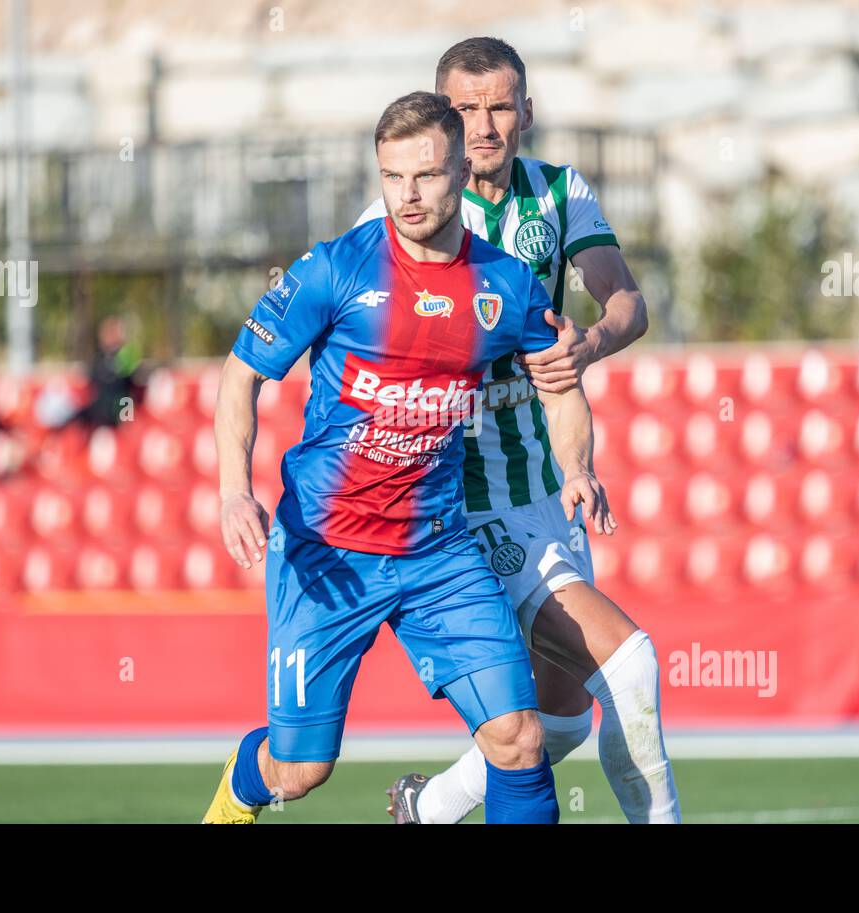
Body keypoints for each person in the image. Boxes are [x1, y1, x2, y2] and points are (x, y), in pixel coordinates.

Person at [203, 91, 613, 824]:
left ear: (461, 169)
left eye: (423, 176)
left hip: (438, 552)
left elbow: (560, 386)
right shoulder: (334, 270)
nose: (407, 195)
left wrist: (576, 464)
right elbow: (241, 375)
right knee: (300, 769)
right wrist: (234, 491)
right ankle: (233, 800)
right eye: (392, 177)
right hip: (327, 550)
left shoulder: (505, 284)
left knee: (518, 739)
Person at [358, 37, 679, 824]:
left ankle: (424, 809)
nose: (484, 126)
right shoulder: (400, 214)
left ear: (526, 111)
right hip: (463, 502)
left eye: (500, 106)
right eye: (465, 109)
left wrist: (589, 343)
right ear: (440, 116)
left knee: (562, 717)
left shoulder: (560, 192)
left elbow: (627, 302)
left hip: (546, 482)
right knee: (632, 667)